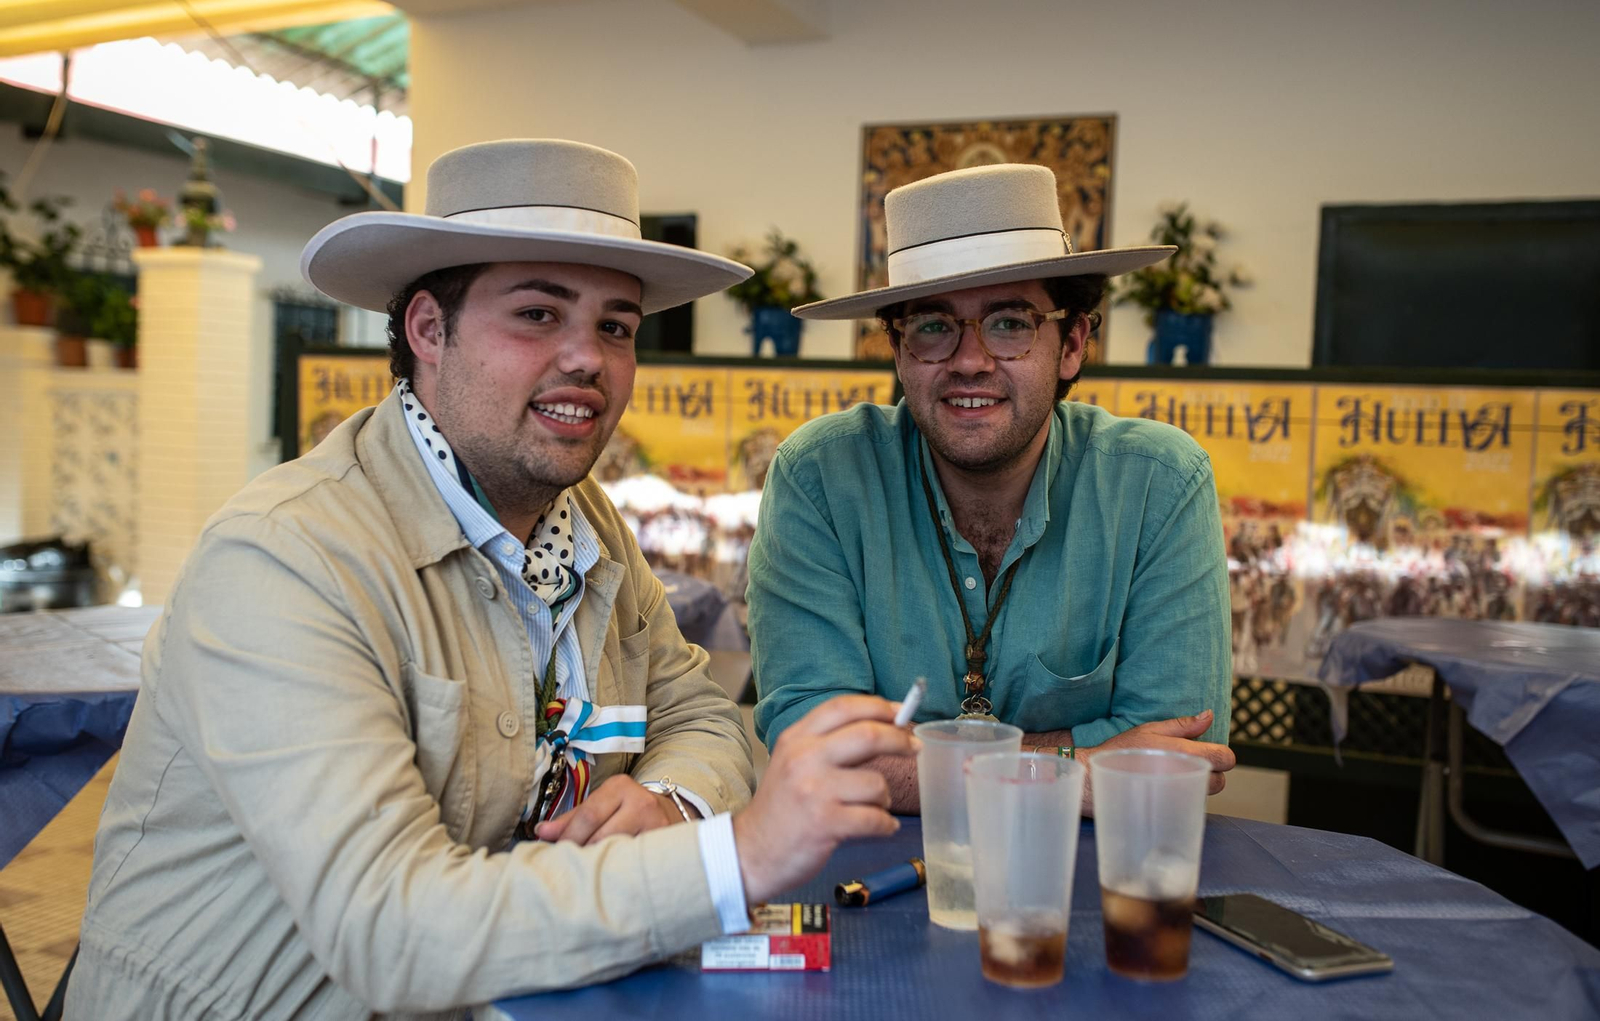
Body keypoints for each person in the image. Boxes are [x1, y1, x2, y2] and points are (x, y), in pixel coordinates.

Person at [68, 140, 915, 1020]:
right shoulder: (282, 559)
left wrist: (673, 801)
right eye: (539, 315)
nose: (588, 358)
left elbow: (702, 716)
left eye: (616, 327)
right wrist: (735, 856)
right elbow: (390, 931)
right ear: (429, 331)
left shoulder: (585, 523)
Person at [747, 163, 1235, 813]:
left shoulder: (1157, 484)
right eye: (931, 325)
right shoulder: (822, 478)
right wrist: (1084, 768)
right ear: (897, 351)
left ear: (1072, 344)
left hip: (1089, 881)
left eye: (1009, 322)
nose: (970, 359)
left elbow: (1183, 755)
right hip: (873, 878)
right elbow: (812, 747)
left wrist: (918, 766)